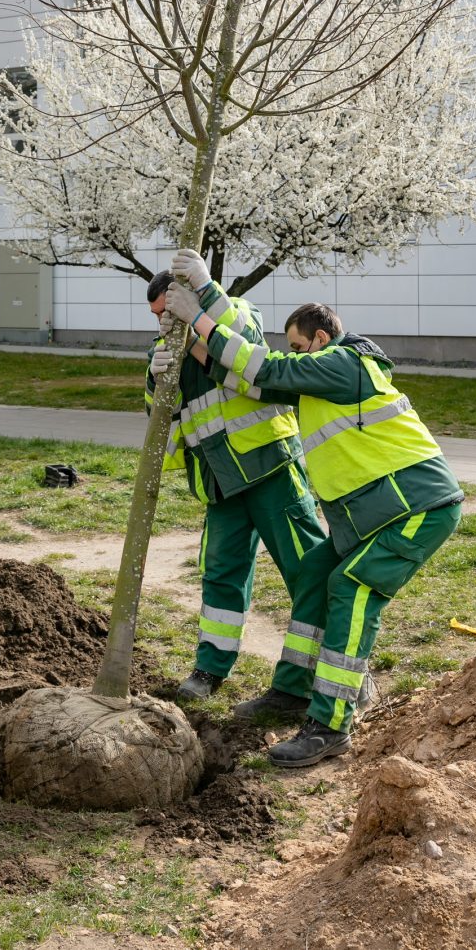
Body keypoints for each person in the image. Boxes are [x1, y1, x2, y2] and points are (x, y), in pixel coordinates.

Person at [165, 280, 464, 767]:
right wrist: (191, 348)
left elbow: (264, 365)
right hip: (375, 511)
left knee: (349, 588)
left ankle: (330, 724)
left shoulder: (345, 364)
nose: (295, 355)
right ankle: (293, 689)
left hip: (418, 507)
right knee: (313, 575)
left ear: (321, 338)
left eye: (299, 346)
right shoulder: (321, 377)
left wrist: (200, 313)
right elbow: (252, 382)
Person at [146, 251, 325, 701]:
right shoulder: (165, 347)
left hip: (269, 468)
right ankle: (210, 669)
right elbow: (157, 418)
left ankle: (316, 674)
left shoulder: (233, 310)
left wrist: (206, 293)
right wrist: (154, 379)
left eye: (167, 312)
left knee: (308, 570)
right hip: (219, 482)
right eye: (155, 318)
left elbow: (248, 345)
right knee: (220, 574)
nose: (162, 322)